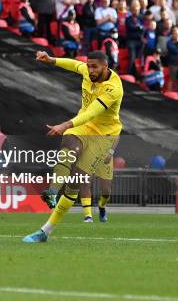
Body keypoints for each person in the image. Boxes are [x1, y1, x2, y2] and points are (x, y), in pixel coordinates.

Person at [24, 51, 123, 243]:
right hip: (83, 126)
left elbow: (92, 112)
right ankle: (52, 191)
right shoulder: (87, 70)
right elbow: (73, 65)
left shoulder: (114, 88)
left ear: (105, 66)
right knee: (68, 147)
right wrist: (51, 60)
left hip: (103, 136)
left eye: (95, 67)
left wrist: (64, 125)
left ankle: (46, 230)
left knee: (76, 182)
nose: (90, 69)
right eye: (89, 65)